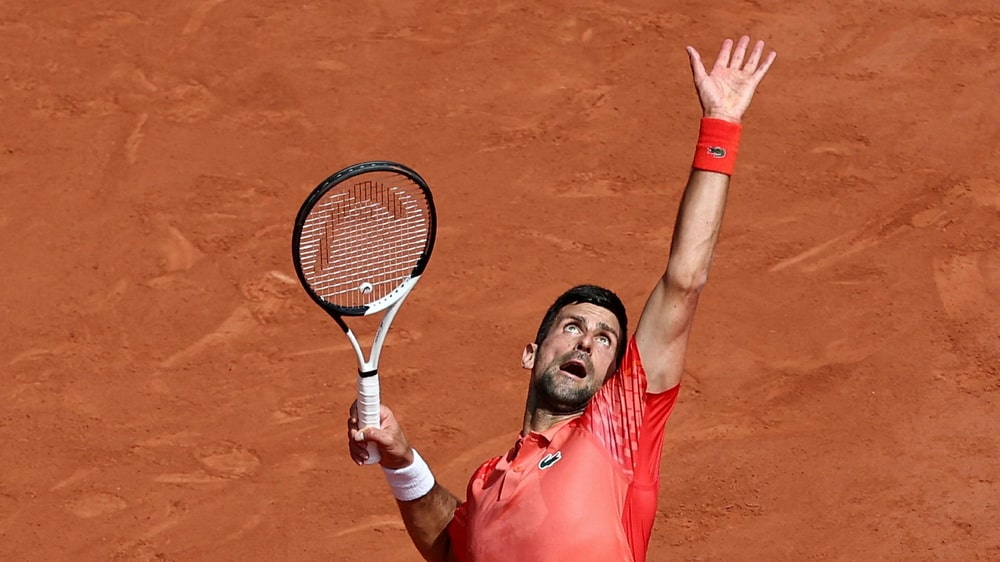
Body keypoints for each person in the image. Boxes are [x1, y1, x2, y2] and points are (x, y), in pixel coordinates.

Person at [347, 35, 777, 562]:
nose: (587, 342)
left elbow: (683, 281)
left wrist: (720, 126)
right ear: (531, 352)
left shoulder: (618, 427)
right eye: (573, 327)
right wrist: (400, 461)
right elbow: (452, 546)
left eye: (605, 340)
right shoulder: (487, 483)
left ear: (614, 375)